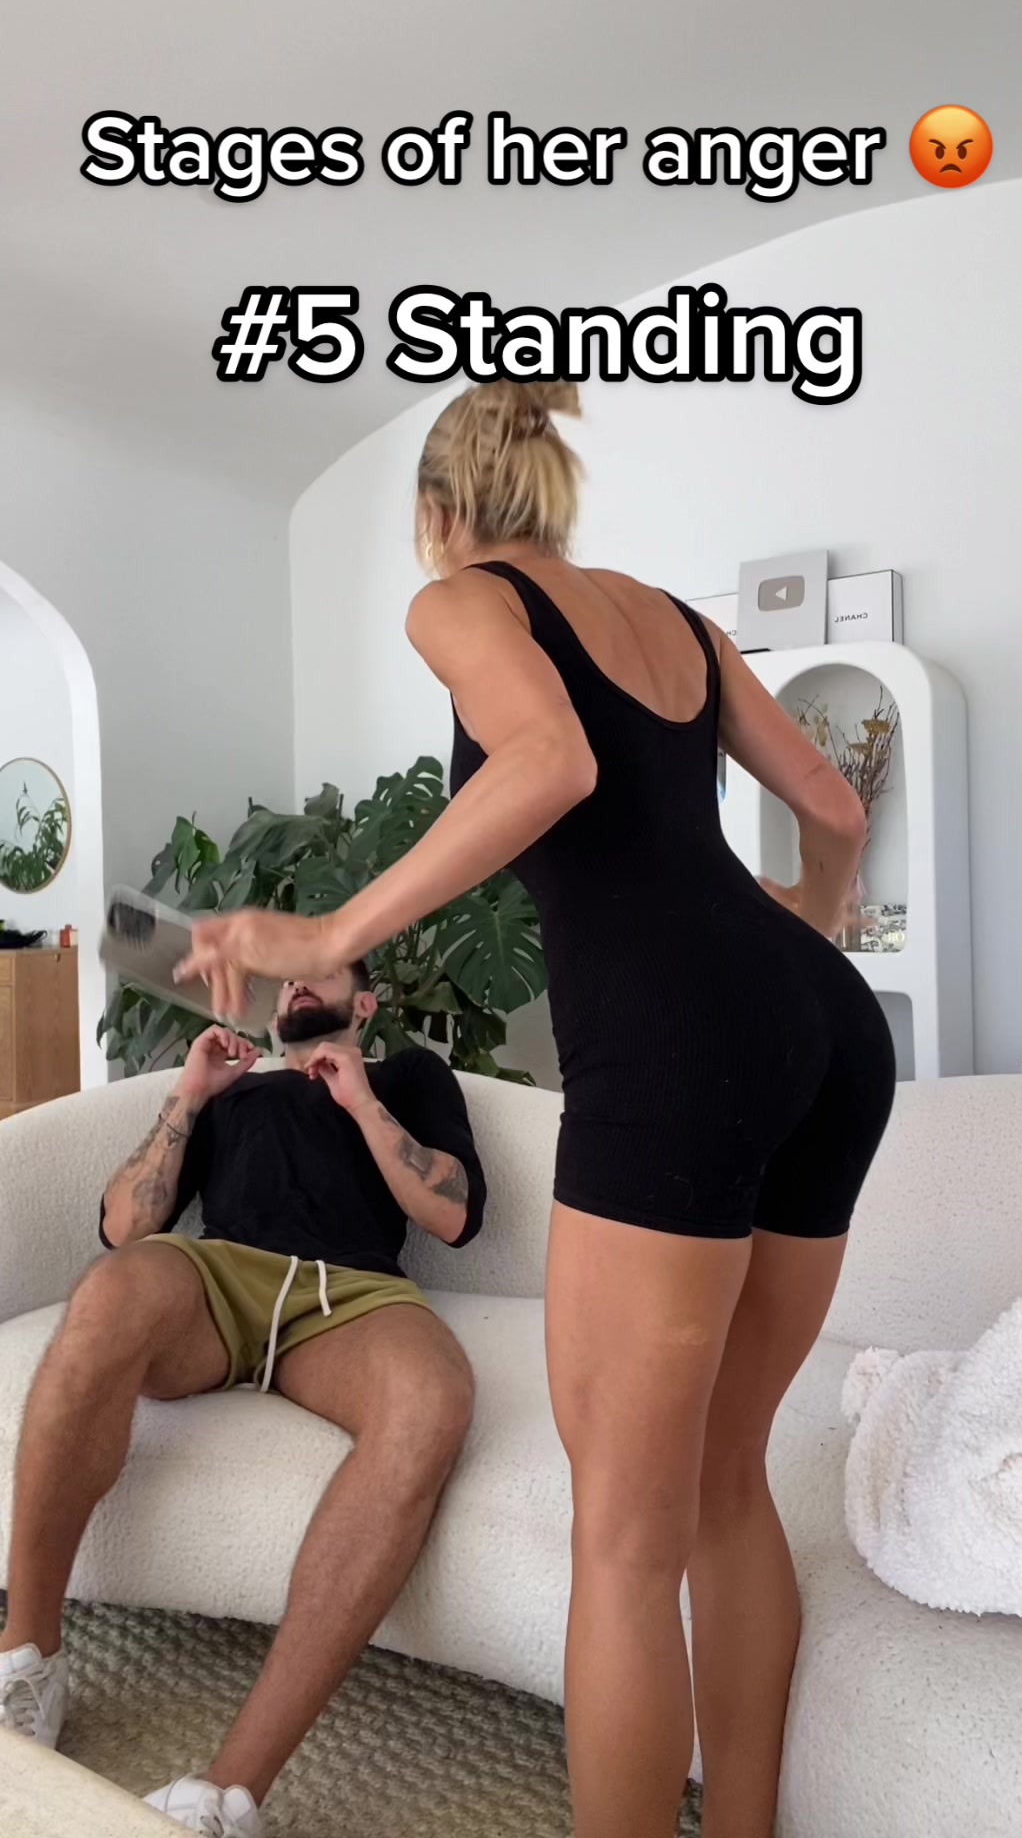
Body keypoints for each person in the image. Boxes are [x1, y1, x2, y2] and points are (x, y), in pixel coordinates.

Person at [177, 382, 897, 1838]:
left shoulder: (461, 601)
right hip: (825, 1028)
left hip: (677, 1046)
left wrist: (328, 935)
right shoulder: (678, 623)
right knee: (725, 1486)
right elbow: (831, 803)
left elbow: (552, 760)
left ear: (440, 513)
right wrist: (804, 936)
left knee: (624, 1538)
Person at [0, 961, 484, 1838]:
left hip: (353, 1296)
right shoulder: (234, 1092)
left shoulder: (409, 1077)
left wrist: (360, 1101)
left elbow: (453, 1216)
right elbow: (123, 1226)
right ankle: (28, 1660)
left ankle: (227, 1797)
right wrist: (189, 1094)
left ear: (363, 1003)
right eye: (285, 976)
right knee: (107, 1295)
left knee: (434, 1399)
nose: (295, 983)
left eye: (319, 970)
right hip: (220, 1278)